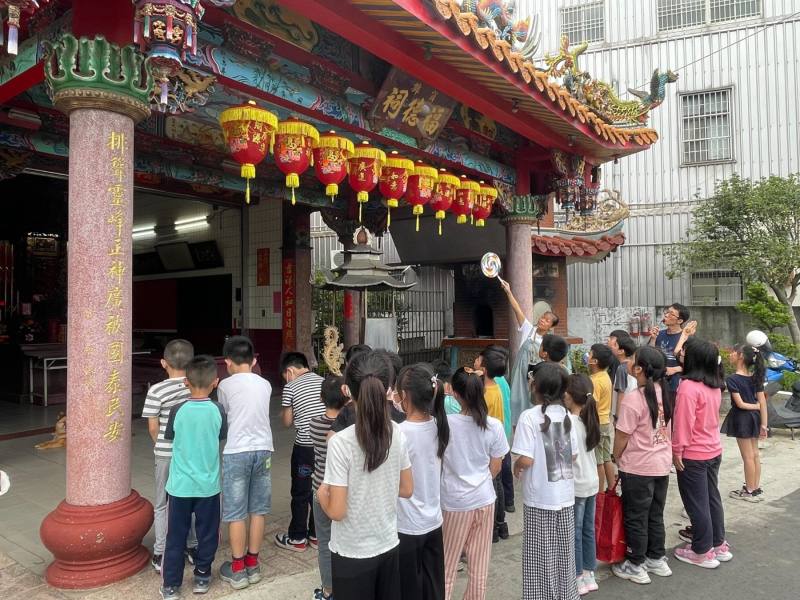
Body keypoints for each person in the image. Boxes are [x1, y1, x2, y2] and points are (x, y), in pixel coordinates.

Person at [317, 351, 413, 600]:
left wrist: (321, 496)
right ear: (389, 389)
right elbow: (407, 489)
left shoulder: (340, 443)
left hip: (351, 552)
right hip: (388, 543)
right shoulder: (398, 432)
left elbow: (337, 511)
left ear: (347, 390)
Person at [160, 355, 227, 600]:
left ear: (186, 382)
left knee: (175, 536)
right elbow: (221, 435)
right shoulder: (218, 409)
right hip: (209, 486)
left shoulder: (178, 410)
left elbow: (170, 437)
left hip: (179, 487)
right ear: (216, 382)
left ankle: (170, 585)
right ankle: (201, 575)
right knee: (208, 533)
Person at [512, 363, 579, 600]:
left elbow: (526, 459)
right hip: (565, 496)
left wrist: (516, 466)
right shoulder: (568, 416)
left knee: (539, 558)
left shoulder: (529, 417)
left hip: (540, 498)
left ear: (536, 386)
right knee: (564, 554)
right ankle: (567, 595)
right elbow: (572, 455)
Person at [441, 367, 509, 600]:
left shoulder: (446, 424)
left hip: (455, 502)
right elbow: (496, 466)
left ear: (456, 394)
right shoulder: (494, 425)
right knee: (479, 567)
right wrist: (479, 481)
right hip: (484, 499)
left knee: (447, 566)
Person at [611, 347, 674, 585]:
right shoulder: (666, 393)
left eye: (633, 360)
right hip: (660, 464)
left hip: (637, 466)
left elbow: (622, 436)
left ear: (639, 369)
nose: (629, 362)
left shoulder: (633, 399)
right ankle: (656, 557)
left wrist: (616, 457)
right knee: (655, 514)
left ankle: (635, 564)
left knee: (636, 516)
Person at [216, 336, 274, 589]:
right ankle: (254, 564)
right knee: (258, 509)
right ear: (254, 360)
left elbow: (226, 416)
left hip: (237, 451)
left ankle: (237, 569)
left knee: (235, 512)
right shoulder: (266, 384)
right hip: (264, 450)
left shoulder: (225, 386)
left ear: (227, 361)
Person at [672, 338, 730, 568]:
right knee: (711, 499)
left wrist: (677, 451)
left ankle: (701, 551)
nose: (681, 356)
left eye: (685, 353)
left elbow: (684, 423)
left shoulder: (688, 387)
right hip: (713, 450)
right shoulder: (715, 384)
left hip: (693, 454)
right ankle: (718, 544)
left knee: (697, 504)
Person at [395, 363, 451, 600]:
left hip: (406, 525)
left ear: (404, 396)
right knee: (433, 587)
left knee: (408, 590)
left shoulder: (399, 433)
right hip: (433, 520)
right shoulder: (439, 426)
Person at [141, 339, 197, 572]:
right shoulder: (195, 386)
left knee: (162, 503)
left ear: (163, 362)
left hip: (165, 454)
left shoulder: (156, 390)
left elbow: (153, 427)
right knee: (192, 499)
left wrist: (161, 446)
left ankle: (161, 551)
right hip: (191, 454)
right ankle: (193, 546)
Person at [276, 352, 325, 552]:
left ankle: (297, 538)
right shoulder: (323, 381)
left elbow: (287, 422)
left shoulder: (290, 386)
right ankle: (316, 536)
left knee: (300, 492)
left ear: (290, 371)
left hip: (304, 449)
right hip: (324, 447)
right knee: (319, 489)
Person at [310, 375, 349, 600]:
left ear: (321, 397)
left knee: (324, 542)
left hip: (320, 490)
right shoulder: (350, 426)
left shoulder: (315, 423)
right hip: (344, 490)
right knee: (346, 539)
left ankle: (328, 589)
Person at [500, 278, 559, 425]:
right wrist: (508, 291)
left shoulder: (548, 342)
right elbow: (517, 309)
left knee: (533, 403)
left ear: (550, 326)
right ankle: (516, 429)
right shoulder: (528, 329)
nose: (542, 320)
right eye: (542, 318)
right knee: (515, 401)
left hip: (534, 377)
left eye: (546, 321)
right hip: (519, 373)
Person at [564, 374, 601, 596]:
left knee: (576, 532)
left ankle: (577, 576)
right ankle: (589, 573)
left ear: (568, 396)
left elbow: (570, 457)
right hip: (591, 483)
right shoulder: (591, 419)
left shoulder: (569, 423)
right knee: (587, 529)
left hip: (577, 485)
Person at [721, 343, 768, 501]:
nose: (730, 354)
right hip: (755, 418)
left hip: (742, 419)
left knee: (747, 456)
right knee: (754, 455)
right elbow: (763, 403)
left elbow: (740, 404)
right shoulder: (755, 378)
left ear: (741, 356)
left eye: (733, 352)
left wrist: (755, 406)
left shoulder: (732, 379)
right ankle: (755, 487)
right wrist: (764, 424)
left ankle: (748, 490)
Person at [473, 346, 509, 542]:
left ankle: (493, 528)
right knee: (498, 484)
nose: (476, 362)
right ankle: (501, 524)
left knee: (492, 486)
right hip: (498, 442)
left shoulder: (484, 391)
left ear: (484, 369)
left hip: (487, 444)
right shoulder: (496, 386)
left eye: (479, 360)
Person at [331, 349, 405, 433]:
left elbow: (330, 437)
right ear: (389, 388)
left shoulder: (347, 414)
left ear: (346, 389)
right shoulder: (403, 426)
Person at [648, 304, 696, 392]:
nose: (666, 315)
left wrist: (675, 369)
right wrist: (653, 339)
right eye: (667, 312)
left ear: (680, 320)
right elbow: (650, 356)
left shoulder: (686, 337)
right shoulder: (659, 334)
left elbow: (694, 364)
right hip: (658, 382)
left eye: (671, 314)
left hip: (677, 384)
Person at [588, 344, 615, 493]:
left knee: (597, 461)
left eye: (590, 354)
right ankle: (611, 488)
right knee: (606, 458)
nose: (588, 355)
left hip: (597, 423)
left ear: (595, 361)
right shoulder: (605, 376)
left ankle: (599, 493)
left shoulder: (594, 381)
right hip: (605, 421)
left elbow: (593, 404)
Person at [610, 334, 637, 421]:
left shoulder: (622, 368)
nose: (611, 346)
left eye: (615, 345)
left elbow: (621, 393)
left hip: (624, 412)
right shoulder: (633, 365)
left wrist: (617, 417)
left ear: (621, 351)